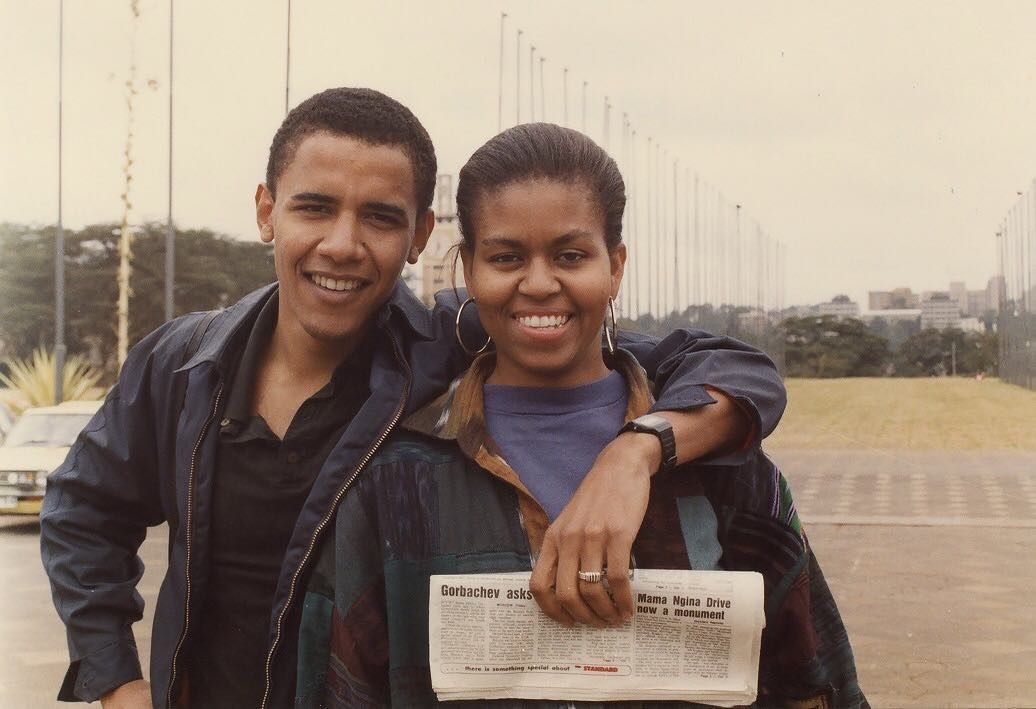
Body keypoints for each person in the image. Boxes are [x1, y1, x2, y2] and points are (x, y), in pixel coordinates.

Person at [40, 89, 787, 708]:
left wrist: (637, 450)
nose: (342, 243)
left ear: (423, 235)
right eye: (314, 207)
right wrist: (116, 680)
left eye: (381, 217)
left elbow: (719, 366)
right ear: (267, 210)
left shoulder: (444, 342)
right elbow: (81, 511)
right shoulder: (181, 364)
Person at [297, 123, 865, 707]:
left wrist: (637, 454)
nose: (539, 283)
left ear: (615, 265)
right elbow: (343, 685)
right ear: (468, 269)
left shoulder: (720, 464)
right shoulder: (396, 478)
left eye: (571, 255)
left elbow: (814, 682)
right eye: (506, 257)